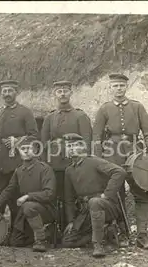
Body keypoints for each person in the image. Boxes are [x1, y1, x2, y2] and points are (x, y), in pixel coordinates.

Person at [93, 73, 148, 249]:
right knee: (116, 194)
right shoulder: (104, 109)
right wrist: (99, 160)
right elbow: (96, 137)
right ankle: (122, 234)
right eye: (115, 86)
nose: (119, 89)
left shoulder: (137, 107)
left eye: (122, 85)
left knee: (141, 191)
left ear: (127, 87)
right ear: (110, 88)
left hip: (135, 152)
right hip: (112, 153)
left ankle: (142, 235)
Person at [0, 136, 56, 252]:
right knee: (15, 242)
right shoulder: (19, 171)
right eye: (23, 148)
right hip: (26, 212)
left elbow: (49, 193)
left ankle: (41, 240)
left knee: (28, 206)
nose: (26, 151)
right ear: (19, 151)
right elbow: (9, 190)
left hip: (45, 210)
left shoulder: (45, 169)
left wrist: (28, 196)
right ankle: (40, 233)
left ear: (36, 151)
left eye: (29, 148)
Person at [63, 133, 127, 257]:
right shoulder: (69, 170)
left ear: (82, 147)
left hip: (106, 206)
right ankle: (105, 233)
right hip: (86, 210)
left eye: (73, 146)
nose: (70, 149)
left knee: (95, 202)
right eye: (68, 146)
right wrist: (71, 221)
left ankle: (98, 245)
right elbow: (69, 198)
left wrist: (107, 195)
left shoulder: (94, 162)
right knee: (67, 241)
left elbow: (120, 172)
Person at [40, 81, 92, 231]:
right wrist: (45, 164)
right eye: (59, 91)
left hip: (75, 162)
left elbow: (87, 142)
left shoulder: (80, 115)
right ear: (55, 94)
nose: (62, 94)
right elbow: (43, 143)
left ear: (71, 93)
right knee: (56, 195)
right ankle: (57, 228)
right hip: (54, 163)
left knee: (74, 195)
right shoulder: (50, 118)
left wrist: (83, 162)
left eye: (65, 91)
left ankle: (76, 228)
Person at [0, 80, 39, 233]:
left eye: (10, 91)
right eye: (4, 91)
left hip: (17, 163)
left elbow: (34, 135)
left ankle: (18, 232)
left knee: (16, 196)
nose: (7, 94)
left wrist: (18, 141)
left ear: (16, 92)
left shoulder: (25, 112)